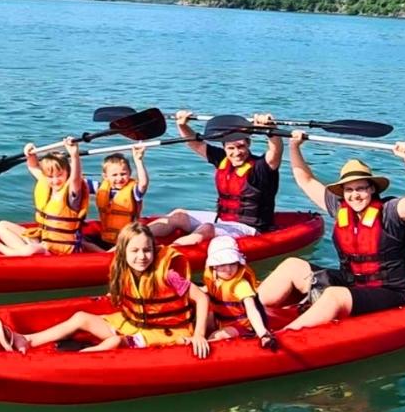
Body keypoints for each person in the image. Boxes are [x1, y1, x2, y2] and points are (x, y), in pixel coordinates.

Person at [257, 132, 405, 329]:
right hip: (353, 285)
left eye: (361, 188)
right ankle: (244, 311)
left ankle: (282, 338)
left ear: (372, 189)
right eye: (349, 190)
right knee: (292, 265)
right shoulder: (340, 208)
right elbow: (305, 180)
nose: (355, 195)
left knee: (334, 296)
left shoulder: (390, 212)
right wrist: (294, 146)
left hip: (392, 292)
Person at [0, 222, 213, 358]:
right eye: (134, 250)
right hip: (133, 323)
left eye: (147, 250)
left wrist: (199, 335)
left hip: (164, 333)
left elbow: (201, 298)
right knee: (81, 318)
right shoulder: (124, 269)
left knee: (115, 343)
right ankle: (27, 340)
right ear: (123, 251)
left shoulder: (167, 274)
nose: (141, 256)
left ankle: (74, 360)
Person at [148, 110, 282, 246]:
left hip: (251, 229)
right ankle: (135, 238)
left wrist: (270, 129)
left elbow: (275, 151)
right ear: (224, 148)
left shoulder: (260, 168)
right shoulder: (222, 159)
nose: (236, 153)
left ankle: (167, 253)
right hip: (222, 220)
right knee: (178, 215)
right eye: (231, 148)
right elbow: (195, 143)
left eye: (241, 147)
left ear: (248, 144)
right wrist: (182, 125)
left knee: (207, 228)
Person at [0, 137, 88, 256]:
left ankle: (6, 251)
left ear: (68, 172)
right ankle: (21, 253)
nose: (55, 180)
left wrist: (74, 155)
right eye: (50, 177)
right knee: (2, 225)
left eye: (60, 175)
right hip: (44, 242)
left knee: (31, 250)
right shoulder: (46, 184)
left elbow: (75, 179)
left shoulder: (72, 194)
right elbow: (33, 167)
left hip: (60, 251)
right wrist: (30, 153)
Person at [202, 236, 277, 349]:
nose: (228, 269)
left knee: (217, 336)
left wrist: (263, 334)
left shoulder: (240, 285)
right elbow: (200, 293)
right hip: (220, 322)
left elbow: (252, 310)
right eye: (222, 264)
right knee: (202, 322)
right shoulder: (213, 281)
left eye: (232, 263)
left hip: (241, 327)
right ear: (213, 267)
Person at [84, 145, 149, 251]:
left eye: (123, 174)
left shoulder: (133, 191)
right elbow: (77, 182)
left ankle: (106, 255)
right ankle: (105, 253)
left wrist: (138, 160)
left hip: (127, 238)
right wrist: (72, 157)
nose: (119, 178)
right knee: (82, 240)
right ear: (105, 176)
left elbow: (143, 184)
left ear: (130, 173)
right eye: (114, 175)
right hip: (106, 237)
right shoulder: (101, 187)